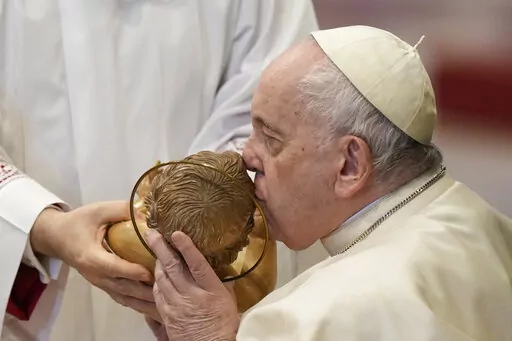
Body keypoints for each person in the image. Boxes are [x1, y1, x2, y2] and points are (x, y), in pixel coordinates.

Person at [147, 25, 512, 340]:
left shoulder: (328, 313)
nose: (246, 157)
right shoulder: (484, 226)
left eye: (270, 138)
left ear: (350, 165)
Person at [0, 1, 318, 340]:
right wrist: (42, 224)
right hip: (44, 292)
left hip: (214, 276)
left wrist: (204, 209)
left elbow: (285, 102)